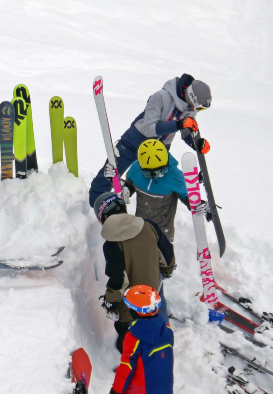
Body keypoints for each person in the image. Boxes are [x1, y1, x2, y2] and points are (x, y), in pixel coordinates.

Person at [89, 74, 212, 207]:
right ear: (191, 96)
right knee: (109, 174)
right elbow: (149, 128)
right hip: (134, 143)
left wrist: (196, 144)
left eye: (201, 109)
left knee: (157, 182)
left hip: (158, 151)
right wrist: (179, 124)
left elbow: (186, 133)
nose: (197, 110)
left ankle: (182, 198)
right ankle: (95, 205)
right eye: (199, 107)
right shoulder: (161, 97)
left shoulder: (190, 109)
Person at [94, 192, 175, 351]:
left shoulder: (111, 243)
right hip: (153, 291)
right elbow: (166, 256)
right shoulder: (149, 225)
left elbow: (119, 278)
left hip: (132, 302)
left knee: (129, 324)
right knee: (158, 306)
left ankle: (133, 348)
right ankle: (163, 337)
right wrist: (166, 270)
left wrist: (111, 300)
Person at [105, 139, 209, 242]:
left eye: (160, 171)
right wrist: (117, 183)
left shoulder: (176, 177)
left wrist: (198, 205)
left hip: (162, 235)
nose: (153, 177)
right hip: (140, 228)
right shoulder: (135, 168)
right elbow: (130, 187)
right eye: (148, 173)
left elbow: (187, 198)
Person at [110, 285, 174, 394]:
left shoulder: (133, 338)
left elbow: (126, 368)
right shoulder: (166, 329)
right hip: (164, 388)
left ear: (134, 311)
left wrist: (116, 390)